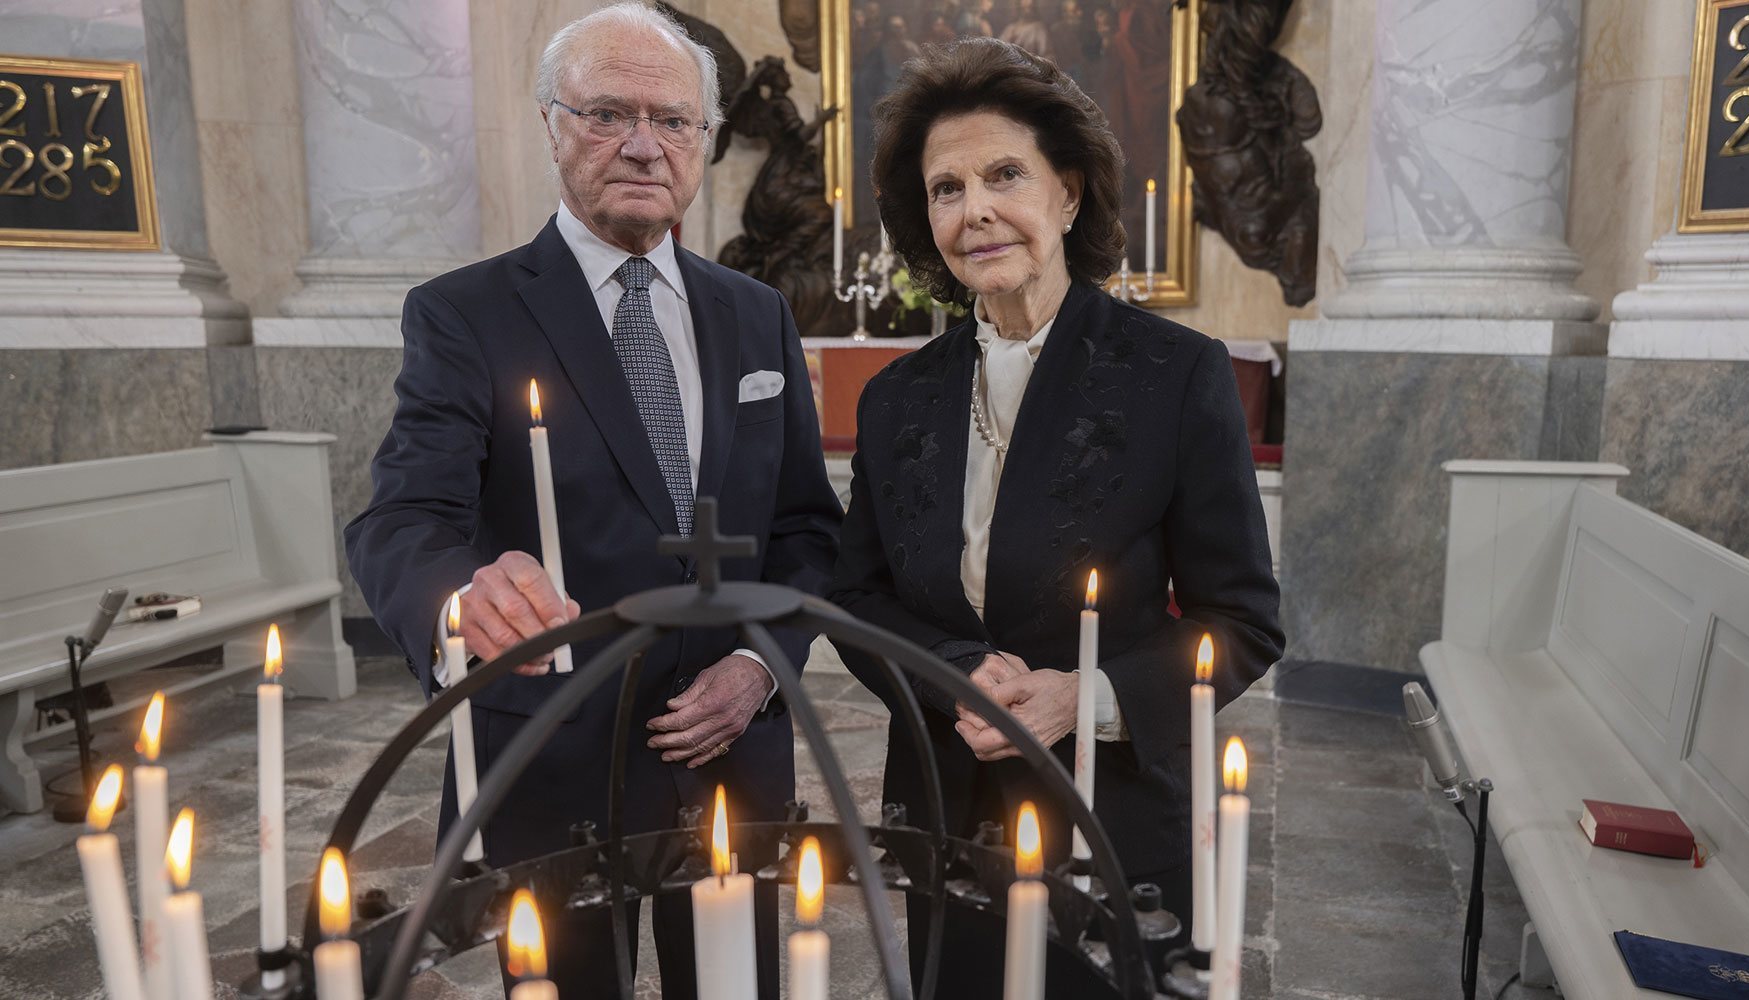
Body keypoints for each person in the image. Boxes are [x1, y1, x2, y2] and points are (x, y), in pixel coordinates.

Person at [342, 4, 842, 996]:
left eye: (674, 120)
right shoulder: (465, 314)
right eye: (608, 113)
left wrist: (755, 666)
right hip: (551, 753)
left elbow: (804, 530)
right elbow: (400, 521)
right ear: (550, 123)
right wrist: (462, 600)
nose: (644, 145)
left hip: (729, 760)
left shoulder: (756, 315)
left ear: (702, 141)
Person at [831, 36, 1282, 994]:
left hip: (1112, 816)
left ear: (1069, 194)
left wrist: (1087, 696)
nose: (975, 210)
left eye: (1005, 175)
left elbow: (1241, 623)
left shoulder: (1175, 373)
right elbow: (860, 595)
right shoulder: (897, 396)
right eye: (946, 189)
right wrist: (954, 675)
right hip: (947, 809)